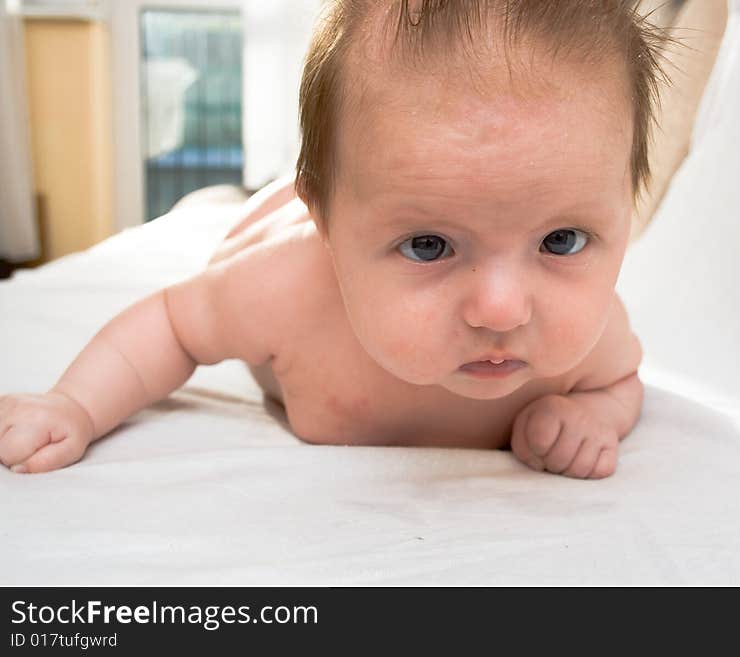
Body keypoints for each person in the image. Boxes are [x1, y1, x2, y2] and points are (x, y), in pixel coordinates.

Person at [0, 0, 668, 478]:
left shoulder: (592, 339)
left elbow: (622, 381)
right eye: (429, 246)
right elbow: (173, 325)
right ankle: (264, 196)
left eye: (563, 239)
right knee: (237, 211)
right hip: (279, 218)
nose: (501, 310)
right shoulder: (283, 291)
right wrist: (74, 404)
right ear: (329, 226)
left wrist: (596, 416)